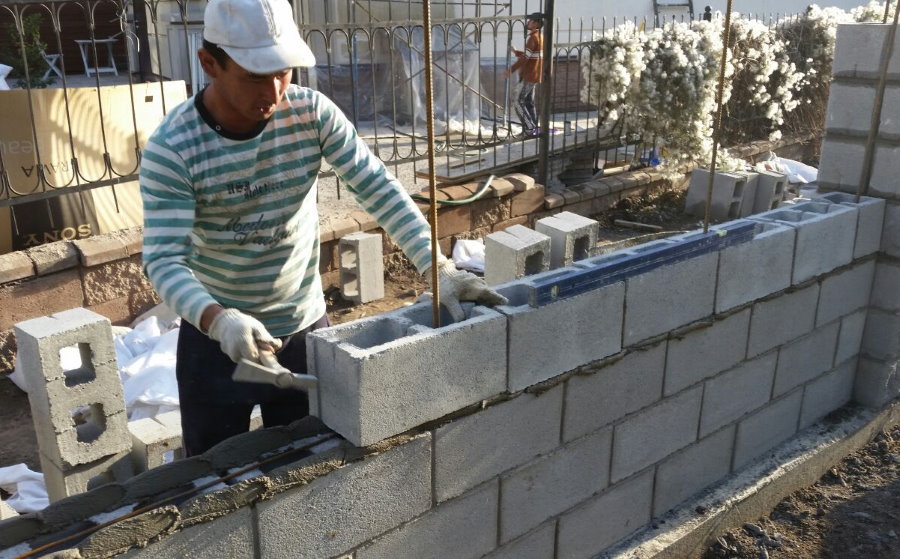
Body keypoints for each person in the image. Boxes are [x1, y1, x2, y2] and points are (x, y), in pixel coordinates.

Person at [139, 0, 506, 456]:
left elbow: (379, 188)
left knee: (308, 466)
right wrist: (219, 320)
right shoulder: (173, 148)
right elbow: (163, 259)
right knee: (213, 475)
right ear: (210, 63)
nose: (274, 92)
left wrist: (437, 267)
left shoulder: (310, 114)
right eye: (256, 75)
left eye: (284, 72)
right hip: (216, 338)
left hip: (304, 328)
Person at [504, 12, 544, 136]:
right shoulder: (540, 37)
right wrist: (516, 52)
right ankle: (534, 128)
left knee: (517, 100)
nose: (528, 23)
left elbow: (526, 58)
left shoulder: (533, 38)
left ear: (536, 23)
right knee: (528, 102)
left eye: (531, 21)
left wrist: (511, 69)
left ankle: (529, 128)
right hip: (535, 74)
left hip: (529, 75)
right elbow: (530, 55)